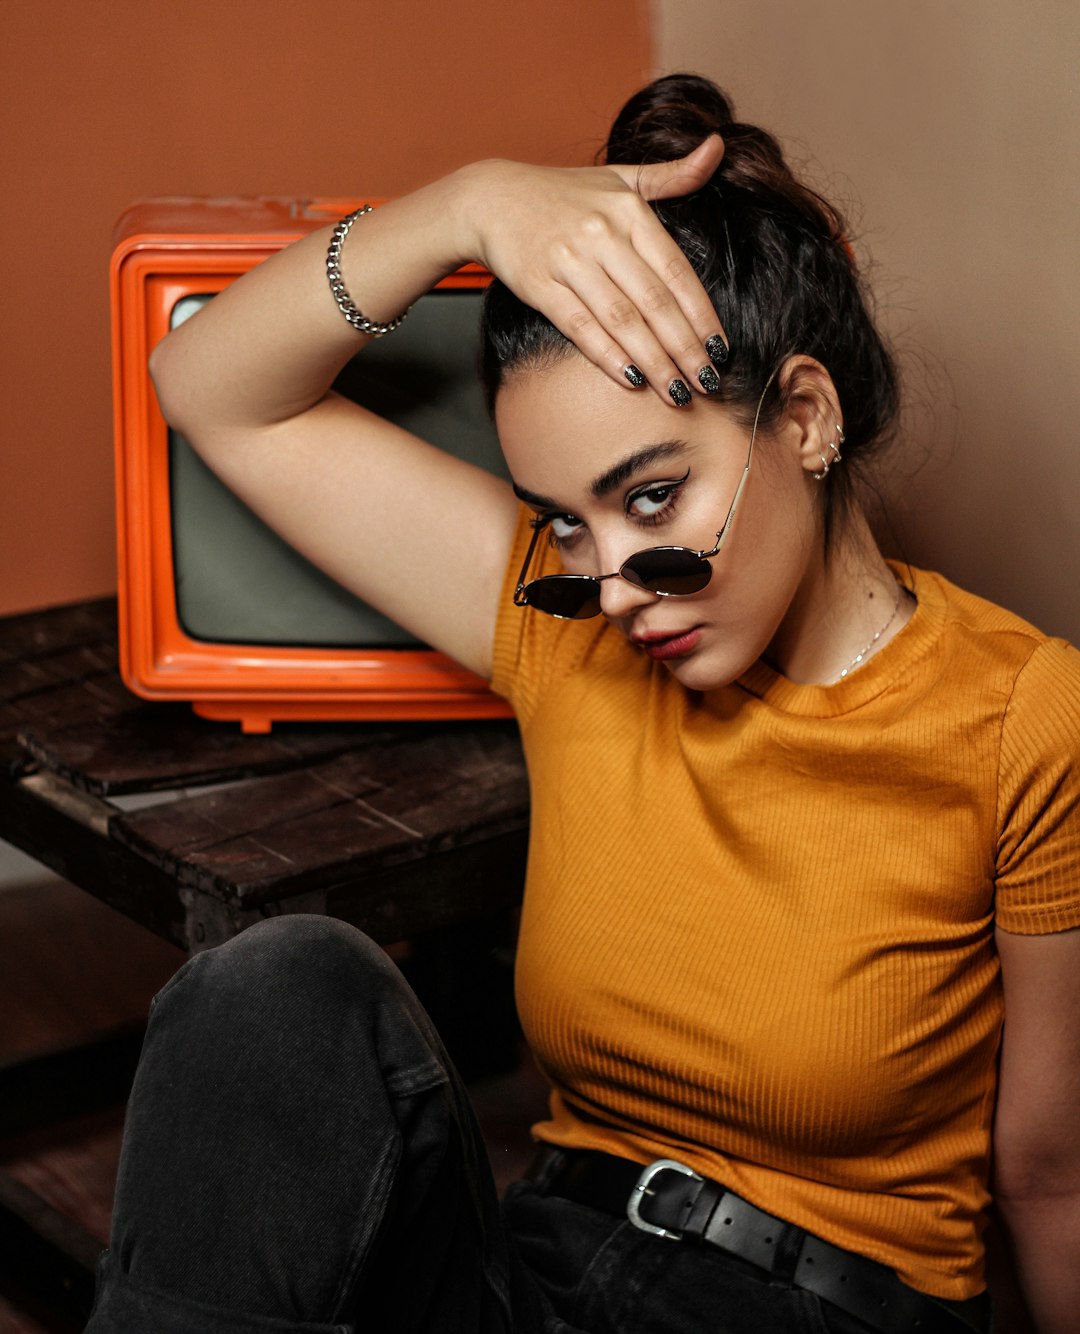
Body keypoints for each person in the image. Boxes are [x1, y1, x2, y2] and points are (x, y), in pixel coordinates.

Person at [85, 74, 1080, 1334]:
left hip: (820, 1306)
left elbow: (1051, 1175)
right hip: (544, 1266)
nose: (614, 586)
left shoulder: (1022, 713)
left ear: (807, 417)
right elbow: (210, 383)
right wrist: (464, 208)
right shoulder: (568, 629)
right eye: (566, 521)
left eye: (652, 497)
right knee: (277, 990)